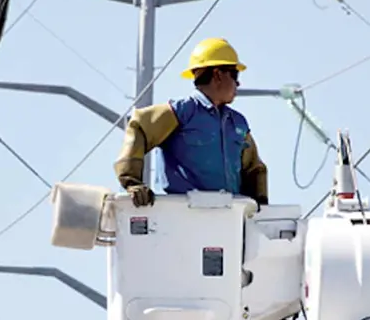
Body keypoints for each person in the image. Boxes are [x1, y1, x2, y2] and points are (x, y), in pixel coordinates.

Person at [114, 37, 268, 207]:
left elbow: (254, 169)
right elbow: (140, 125)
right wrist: (132, 182)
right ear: (217, 74)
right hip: (184, 214)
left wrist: (259, 208)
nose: (238, 83)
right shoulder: (181, 112)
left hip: (229, 217)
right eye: (234, 74)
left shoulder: (238, 123)